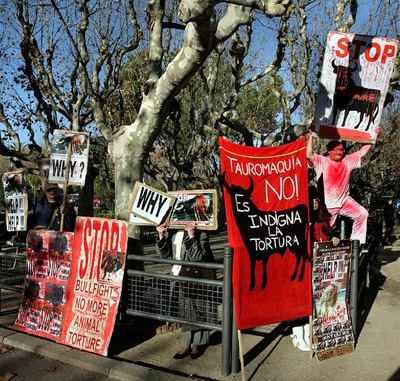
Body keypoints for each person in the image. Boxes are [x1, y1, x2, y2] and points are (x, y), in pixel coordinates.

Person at [306, 128, 379, 245]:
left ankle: (357, 244)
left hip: (345, 202)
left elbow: (362, 152)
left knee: (363, 213)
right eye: (337, 150)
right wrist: (311, 136)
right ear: (329, 151)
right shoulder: (322, 161)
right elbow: (308, 154)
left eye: (341, 149)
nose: (340, 152)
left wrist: (373, 136)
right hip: (327, 207)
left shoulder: (347, 160)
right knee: (322, 235)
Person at [155, 224, 215, 360]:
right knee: (184, 310)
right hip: (178, 276)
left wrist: (192, 236)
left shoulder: (202, 234)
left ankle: (197, 344)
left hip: (196, 276)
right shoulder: (173, 232)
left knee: (198, 309)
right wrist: (161, 235)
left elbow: (197, 257)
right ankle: (186, 343)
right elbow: (164, 255)